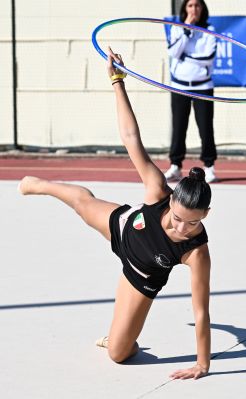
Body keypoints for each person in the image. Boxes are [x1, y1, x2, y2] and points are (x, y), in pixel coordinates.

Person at [18, 47, 212, 380]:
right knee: (82, 205)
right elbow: (131, 138)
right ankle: (43, 184)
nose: (181, 227)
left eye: (192, 222)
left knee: (118, 354)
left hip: (142, 275)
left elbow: (201, 310)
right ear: (172, 200)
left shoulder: (196, 252)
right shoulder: (157, 189)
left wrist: (202, 364)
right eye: (178, 217)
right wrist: (117, 80)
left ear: (206, 214)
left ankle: (120, 336)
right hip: (125, 229)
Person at [164, 0, 217, 183]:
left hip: (203, 87)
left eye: (197, 6)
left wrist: (185, 56)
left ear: (202, 9)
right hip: (179, 86)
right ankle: (175, 166)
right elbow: (173, 52)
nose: (194, 9)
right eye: (190, 6)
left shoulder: (209, 31)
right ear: (184, 9)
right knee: (179, 127)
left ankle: (209, 166)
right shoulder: (177, 29)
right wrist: (187, 31)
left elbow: (207, 58)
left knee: (205, 127)